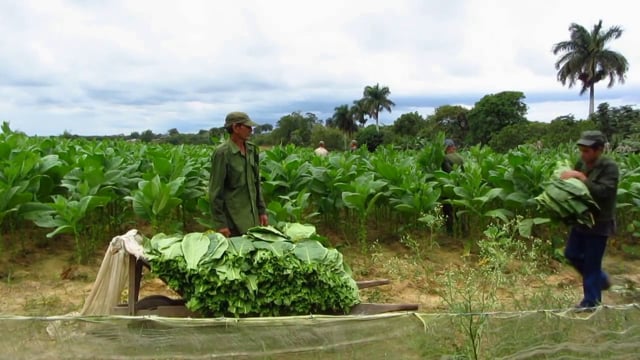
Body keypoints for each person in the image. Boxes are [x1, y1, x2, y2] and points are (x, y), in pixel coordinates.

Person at [560, 130, 619, 309]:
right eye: (582, 150)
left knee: (592, 263)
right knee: (571, 254)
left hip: (600, 222)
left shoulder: (609, 167)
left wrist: (581, 178)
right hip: (582, 219)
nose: (583, 155)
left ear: (599, 149)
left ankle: (591, 302)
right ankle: (601, 279)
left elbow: (604, 192)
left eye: (587, 151)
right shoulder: (581, 163)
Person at [209, 112, 269, 237]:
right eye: (247, 127)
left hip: (253, 219)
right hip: (233, 222)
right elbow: (215, 192)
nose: (251, 130)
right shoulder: (222, 153)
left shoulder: (252, 150)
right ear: (236, 128)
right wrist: (221, 224)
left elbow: (256, 184)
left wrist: (262, 211)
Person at [441, 139, 465, 235]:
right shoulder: (460, 158)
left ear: (446, 148)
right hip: (460, 187)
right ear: (453, 148)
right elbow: (464, 171)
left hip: (450, 187)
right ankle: (462, 229)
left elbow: (448, 172)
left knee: (447, 209)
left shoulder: (445, 158)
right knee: (460, 209)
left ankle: (450, 231)